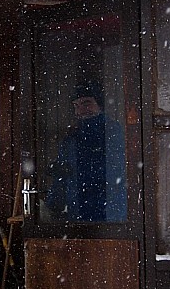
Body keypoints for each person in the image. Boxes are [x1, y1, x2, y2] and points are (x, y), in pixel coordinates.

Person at [45, 81, 127, 222]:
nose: (81, 110)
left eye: (86, 103)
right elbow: (61, 179)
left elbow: (117, 171)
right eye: (76, 105)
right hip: (78, 214)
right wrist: (53, 203)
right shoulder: (72, 139)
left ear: (99, 105)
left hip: (110, 215)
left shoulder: (113, 132)